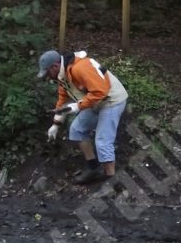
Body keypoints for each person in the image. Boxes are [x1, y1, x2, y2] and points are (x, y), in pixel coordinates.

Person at [37, 49, 128, 184]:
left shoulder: (80, 68)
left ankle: (111, 179)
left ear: (55, 66)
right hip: (94, 102)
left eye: (47, 73)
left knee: (103, 142)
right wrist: (55, 125)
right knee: (77, 129)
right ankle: (93, 169)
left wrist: (77, 106)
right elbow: (63, 99)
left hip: (111, 101)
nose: (47, 77)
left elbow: (100, 91)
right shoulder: (62, 75)